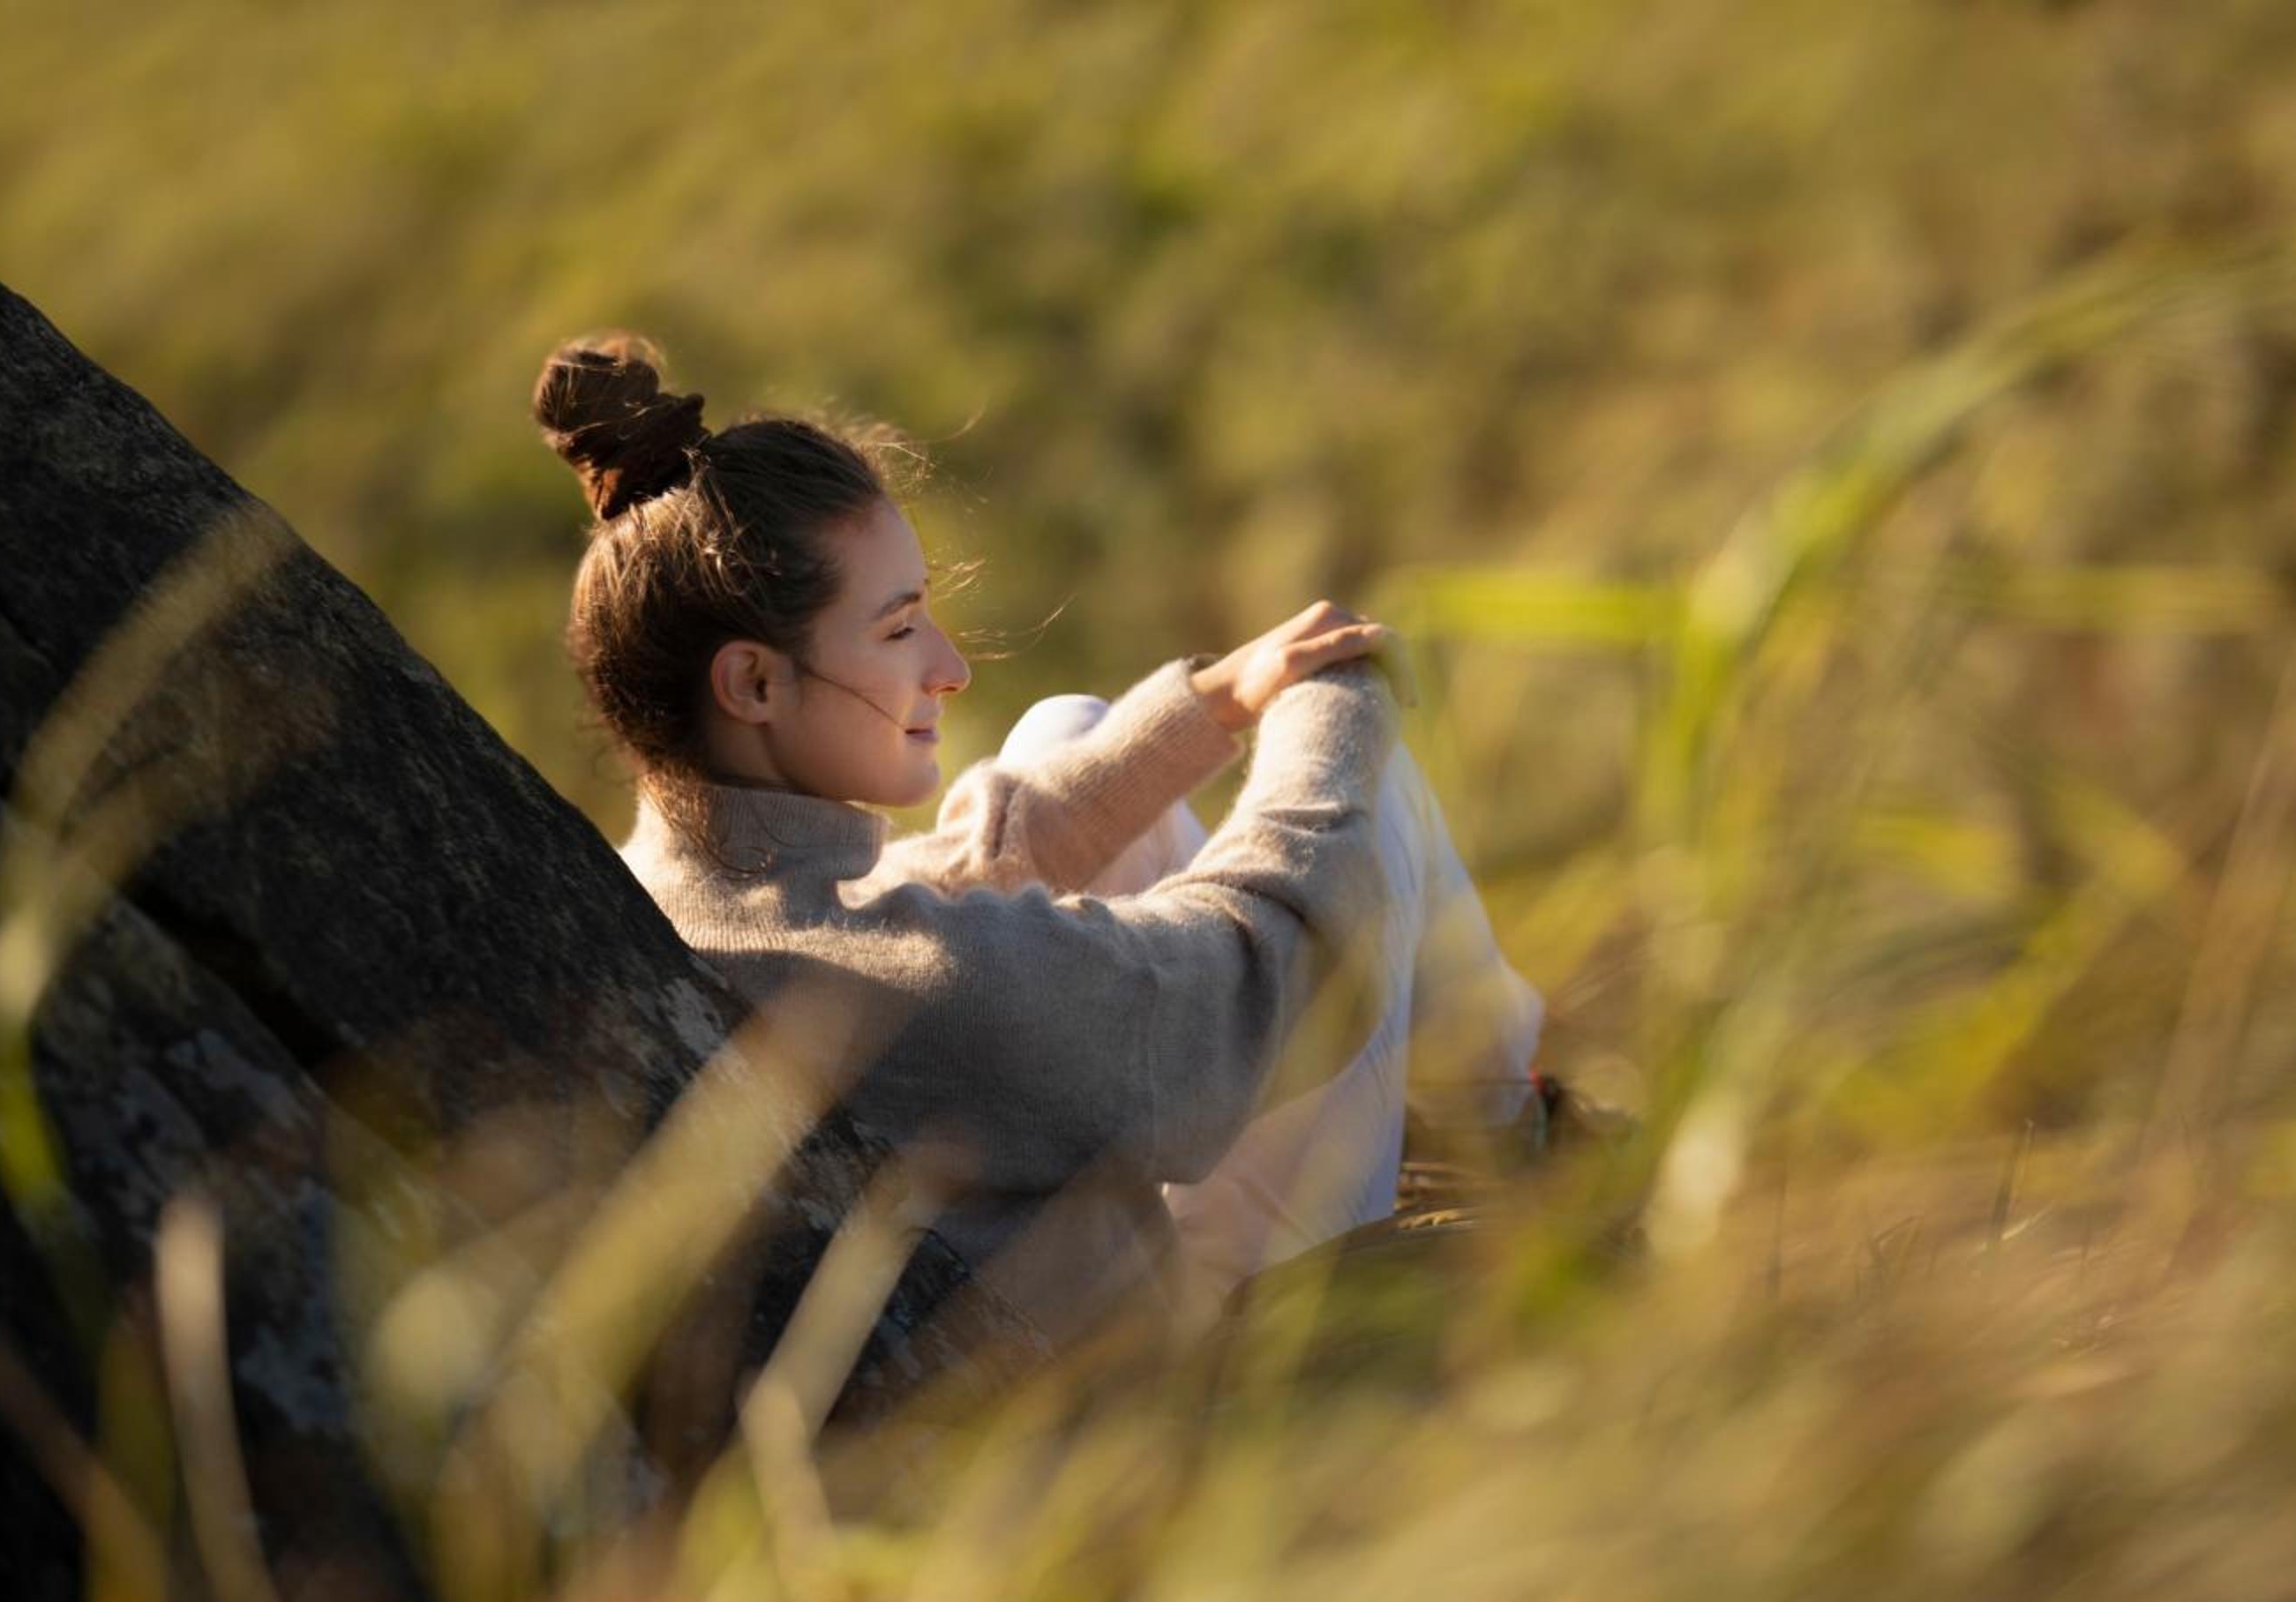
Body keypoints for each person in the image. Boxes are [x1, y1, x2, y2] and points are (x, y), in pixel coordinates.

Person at [536, 333, 1542, 1346]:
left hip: (1045, 1228)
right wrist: (1339, 697)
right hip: (1176, 1359)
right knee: (1368, 785)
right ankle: (1497, 1133)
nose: (951, 666)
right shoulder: (889, 983)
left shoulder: (676, 896)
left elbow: (937, 883)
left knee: (1068, 725)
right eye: (899, 629)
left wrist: (1220, 698)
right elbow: (1246, 987)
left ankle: (1491, 1108)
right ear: (754, 682)